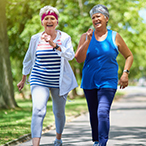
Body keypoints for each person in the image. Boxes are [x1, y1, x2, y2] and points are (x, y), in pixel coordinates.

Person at [17, 5, 78, 146]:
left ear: (57, 22)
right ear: (42, 22)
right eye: (46, 18)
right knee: (38, 110)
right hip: (39, 79)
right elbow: (29, 59)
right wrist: (23, 79)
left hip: (59, 81)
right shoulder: (35, 39)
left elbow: (70, 55)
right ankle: (35, 144)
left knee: (59, 113)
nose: (49, 21)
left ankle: (58, 138)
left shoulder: (65, 37)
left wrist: (53, 44)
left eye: (52, 18)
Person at [75, 4, 133, 146]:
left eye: (98, 16)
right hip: (89, 81)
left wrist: (125, 73)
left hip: (108, 81)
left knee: (102, 112)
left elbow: (129, 55)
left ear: (106, 18)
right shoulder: (85, 36)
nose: (95, 19)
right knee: (94, 114)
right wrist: (88, 41)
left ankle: (102, 143)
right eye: (93, 17)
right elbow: (79, 58)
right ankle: (96, 141)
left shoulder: (115, 36)